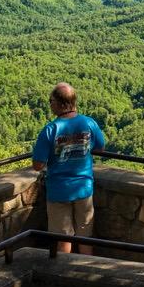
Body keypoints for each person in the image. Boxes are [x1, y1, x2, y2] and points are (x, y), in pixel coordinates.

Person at [31, 82, 107, 255]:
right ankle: (86, 271)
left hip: (59, 191)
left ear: (59, 103)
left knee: (63, 239)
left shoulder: (50, 130)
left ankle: (64, 273)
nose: (49, 104)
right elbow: (100, 148)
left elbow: (37, 165)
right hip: (84, 188)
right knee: (85, 235)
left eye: (50, 101)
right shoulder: (89, 123)